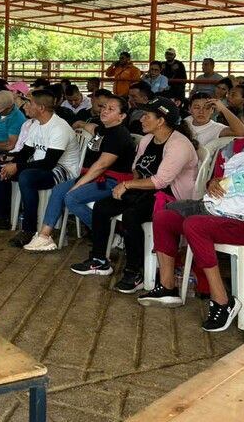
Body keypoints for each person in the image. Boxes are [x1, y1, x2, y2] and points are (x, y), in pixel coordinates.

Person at [141, 96, 244, 332]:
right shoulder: (233, 147)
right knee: (164, 216)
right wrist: (215, 182)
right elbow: (214, 182)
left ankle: (222, 301)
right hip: (223, 212)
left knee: (195, 224)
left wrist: (232, 184)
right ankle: (167, 286)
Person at [70, 97, 198, 293]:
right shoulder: (147, 139)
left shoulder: (178, 144)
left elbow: (161, 182)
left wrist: (127, 185)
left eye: (147, 116)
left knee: (132, 215)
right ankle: (98, 260)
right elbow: (136, 168)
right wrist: (132, 186)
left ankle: (134, 271)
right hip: (145, 191)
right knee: (102, 207)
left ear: (161, 120)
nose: (141, 119)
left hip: (170, 199)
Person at [24, 94, 136, 251]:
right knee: (58, 190)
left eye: (111, 109)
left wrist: (78, 184)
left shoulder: (119, 135)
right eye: (104, 107)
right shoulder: (103, 129)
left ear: (122, 116)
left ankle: (109, 232)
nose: (104, 111)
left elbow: (101, 166)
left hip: (111, 181)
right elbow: (91, 128)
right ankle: (44, 236)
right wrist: (79, 124)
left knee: (72, 197)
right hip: (94, 178)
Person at [0, 90, 80, 245]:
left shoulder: (59, 128)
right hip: (40, 165)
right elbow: (26, 152)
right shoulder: (36, 124)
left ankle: (29, 230)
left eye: (30, 103)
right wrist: (10, 160)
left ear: (41, 108)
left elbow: (49, 163)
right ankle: (2, 216)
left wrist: (17, 166)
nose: (25, 106)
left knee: (27, 177)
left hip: (62, 170)